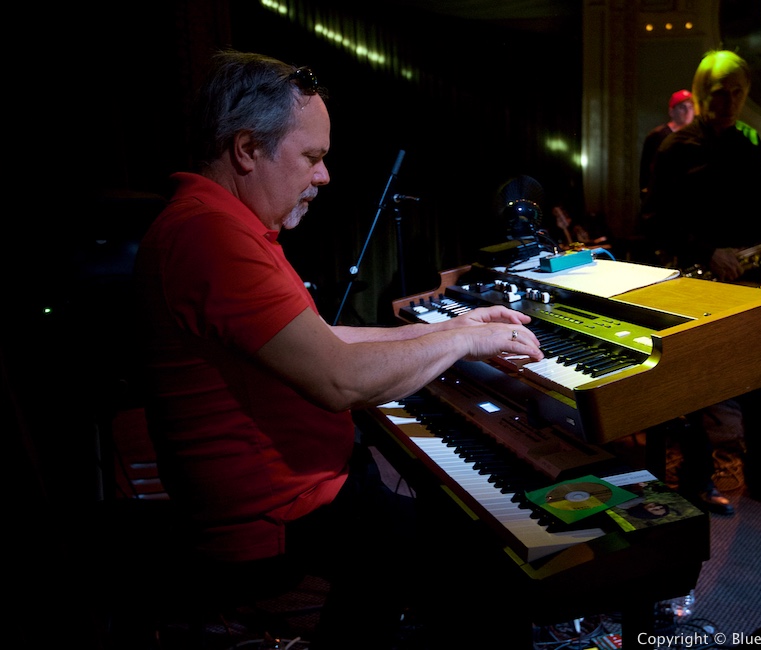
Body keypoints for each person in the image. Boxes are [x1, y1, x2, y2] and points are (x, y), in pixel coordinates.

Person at [133, 50, 544, 648]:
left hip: (300, 497)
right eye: (312, 157)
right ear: (247, 149)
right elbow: (340, 379)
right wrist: (463, 339)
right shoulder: (210, 235)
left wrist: (448, 328)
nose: (324, 176)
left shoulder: (215, 221)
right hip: (279, 520)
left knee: (430, 517)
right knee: (490, 567)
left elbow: (322, 339)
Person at [644, 50, 761, 514]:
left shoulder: (749, 143)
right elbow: (655, 221)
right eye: (718, 92)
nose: (729, 101)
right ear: (700, 93)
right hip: (699, 277)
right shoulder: (674, 148)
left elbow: (760, 213)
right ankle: (697, 479)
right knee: (699, 388)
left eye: (737, 91)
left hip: (750, 278)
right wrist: (709, 251)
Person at [636, 89, 694, 264]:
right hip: (663, 207)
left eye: (691, 107)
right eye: (682, 107)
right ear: (672, 111)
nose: (687, 111)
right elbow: (647, 175)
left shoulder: (695, 138)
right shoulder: (658, 136)